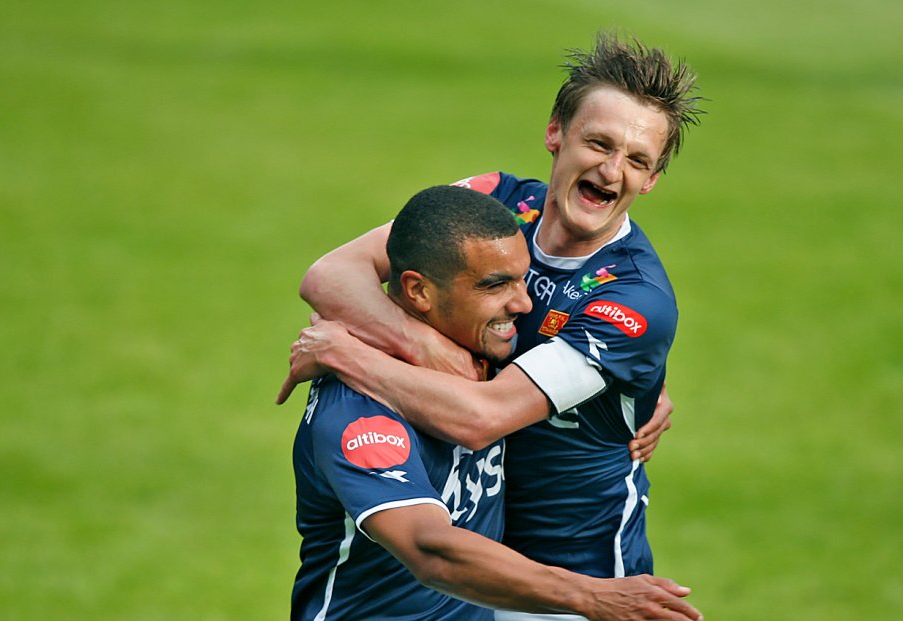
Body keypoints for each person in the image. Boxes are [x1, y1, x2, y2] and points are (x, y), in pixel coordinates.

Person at [279, 32, 704, 621]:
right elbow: (332, 273)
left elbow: (481, 417)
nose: (612, 171)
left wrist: (343, 348)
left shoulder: (633, 298)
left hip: (572, 580)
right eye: (599, 143)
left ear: (653, 178)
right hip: (473, 567)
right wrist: (426, 347)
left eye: (637, 160)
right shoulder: (496, 204)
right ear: (556, 132)